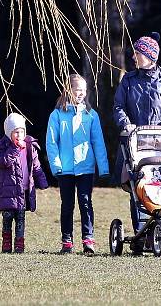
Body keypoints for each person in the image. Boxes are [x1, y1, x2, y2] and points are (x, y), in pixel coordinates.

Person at [112, 32, 161, 232]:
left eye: (137, 53)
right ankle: (142, 231)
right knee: (138, 187)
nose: (134, 57)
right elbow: (118, 106)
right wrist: (126, 124)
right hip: (135, 144)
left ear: (150, 56)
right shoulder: (129, 80)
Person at [46, 73, 109, 254]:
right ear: (68, 90)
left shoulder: (91, 115)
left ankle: (88, 239)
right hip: (65, 169)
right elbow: (51, 142)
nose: (81, 93)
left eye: (84, 90)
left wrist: (103, 167)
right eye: (77, 89)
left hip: (85, 168)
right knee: (67, 204)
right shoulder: (57, 115)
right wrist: (56, 165)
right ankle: (67, 241)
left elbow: (98, 142)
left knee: (86, 202)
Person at [0, 112, 48, 254]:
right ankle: (6, 243)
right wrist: (15, 149)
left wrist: (42, 181)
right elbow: (3, 162)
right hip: (8, 192)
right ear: (8, 133)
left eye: (21, 132)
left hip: (23, 191)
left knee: (21, 218)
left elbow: (36, 166)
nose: (19, 135)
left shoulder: (30, 147)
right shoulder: (2, 147)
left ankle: (19, 244)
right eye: (15, 132)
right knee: (7, 218)